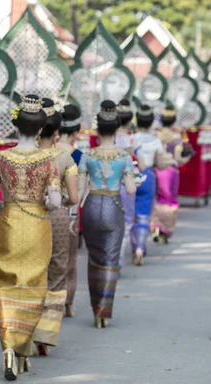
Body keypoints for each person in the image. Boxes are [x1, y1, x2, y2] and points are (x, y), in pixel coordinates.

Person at [0, 94, 61, 380]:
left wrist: (4, 206)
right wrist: (42, 202)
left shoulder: (1, 157)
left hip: (9, 220)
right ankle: (22, 346)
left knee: (5, 281)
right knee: (33, 282)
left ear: (17, 127)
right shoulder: (48, 159)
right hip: (37, 223)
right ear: (41, 130)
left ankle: (10, 348)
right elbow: (54, 201)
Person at [78, 101, 136, 329]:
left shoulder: (87, 155)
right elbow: (130, 189)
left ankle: (95, 310)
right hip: (113, 205)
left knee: (94, 258)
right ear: (117, 127)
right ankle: (104, 311)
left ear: (97, 130)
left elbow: (80, 192)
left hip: (92, 204)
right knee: (111, 260)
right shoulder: (123, 157)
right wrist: (129, 179)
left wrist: (74, 217)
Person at [33, 98, 79, 356]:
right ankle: (46, 334)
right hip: (59, 216)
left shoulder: (24, 155)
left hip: (29, 215)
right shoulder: (66, 157)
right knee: (57, 272)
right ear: (57, 132)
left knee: (32, 270)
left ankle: (26, 324)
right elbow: (73, 197)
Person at [150, 104, 191, 243]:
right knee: (170, 201)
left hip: (156, 169)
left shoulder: (156, 134)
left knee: (158, 198)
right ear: (173, 120)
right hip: (171, 171)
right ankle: (166, 230)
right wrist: (188, 158)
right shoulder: (176, 136)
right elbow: (178, 158)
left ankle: (155, 224)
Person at [131, 105, 166, 265]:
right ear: (151, 122)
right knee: (144, 214)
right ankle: (139, 247)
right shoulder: (156, 140)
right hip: (148, 176)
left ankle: (132, 246)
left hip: (130, 175)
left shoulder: (131, 138)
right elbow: (159, 163)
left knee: (129, 214)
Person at [57, 103, 82, 318]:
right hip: (69, 211)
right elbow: (79, 191)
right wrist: (74, 214)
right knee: (70, 259)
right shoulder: (78, 154)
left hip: (47, 209)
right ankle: (68, 302)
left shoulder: (46, 152)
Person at [115, 99, 136, 268]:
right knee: (126, 222)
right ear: (129, 121)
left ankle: (113, 258)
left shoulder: (109, 138)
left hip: (110, 183)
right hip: (127, 181)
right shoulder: (131, 140)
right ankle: (119, 258)